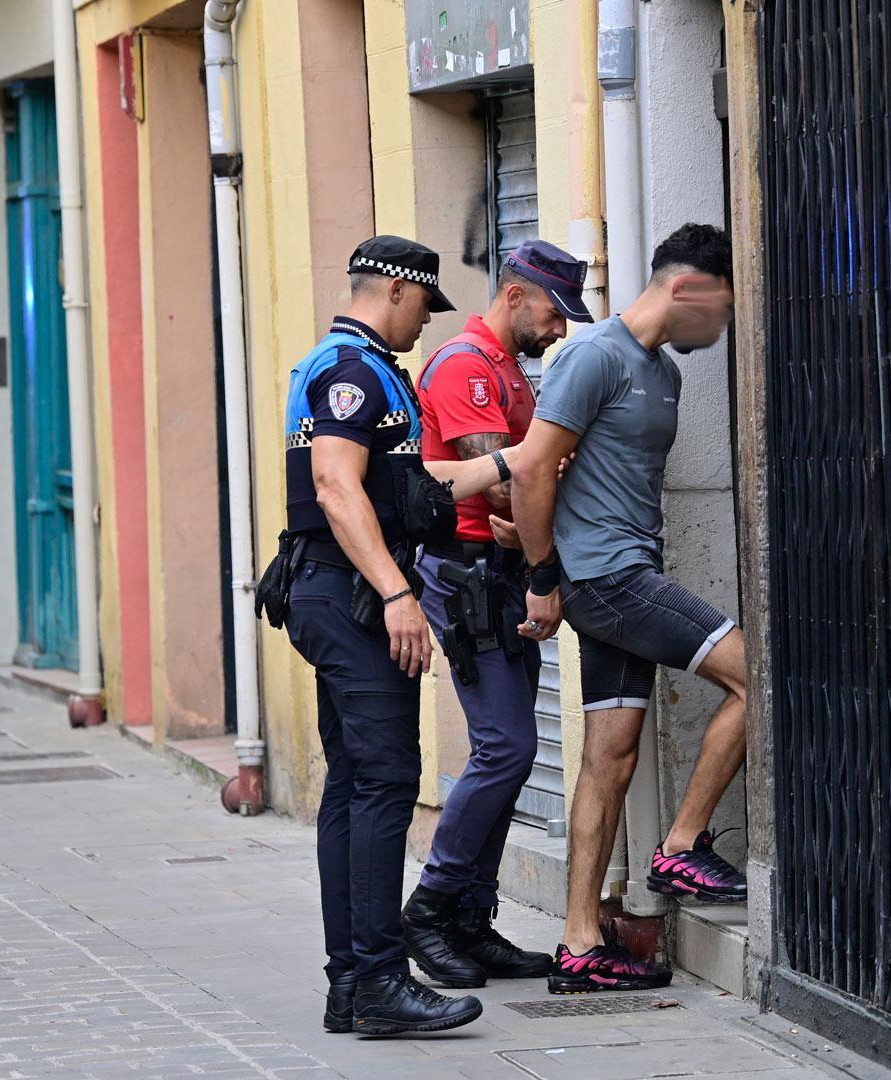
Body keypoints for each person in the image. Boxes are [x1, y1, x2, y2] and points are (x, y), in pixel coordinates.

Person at [278, 237, 535, 1037]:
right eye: (425, 303)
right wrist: (395, 593)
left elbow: (418, 489)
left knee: (356, 785)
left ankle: (353, 985)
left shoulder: (351, 365)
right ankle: (382, 981)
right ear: (395, 289)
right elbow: (334, 483)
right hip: (351, 593)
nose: (428, 321)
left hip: (333, 589)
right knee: (386, 781)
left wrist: (516, 461)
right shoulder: (354, 371)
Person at [510, 223, 745, 994]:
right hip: (606, 580)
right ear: (686, 289)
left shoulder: (660, 373)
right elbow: (533, 468)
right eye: (721, 309)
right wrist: (544, 577)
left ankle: (579, 943)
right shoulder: (592, 354)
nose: (722, 327)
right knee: (759, 676)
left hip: (622, 573)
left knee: (608, 760)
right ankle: (681, 844)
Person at [400, 240, 592, 989]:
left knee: (510, 754)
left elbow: (535, 478)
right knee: (505, 749)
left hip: (503, 574)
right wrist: (537, 495)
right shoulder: (465, 366)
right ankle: (432, 910)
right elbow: (509, 487)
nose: (560, 331)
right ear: (515, 295)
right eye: (553, 312)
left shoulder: (508, 370)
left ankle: (472, 924)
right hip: (469, 576)